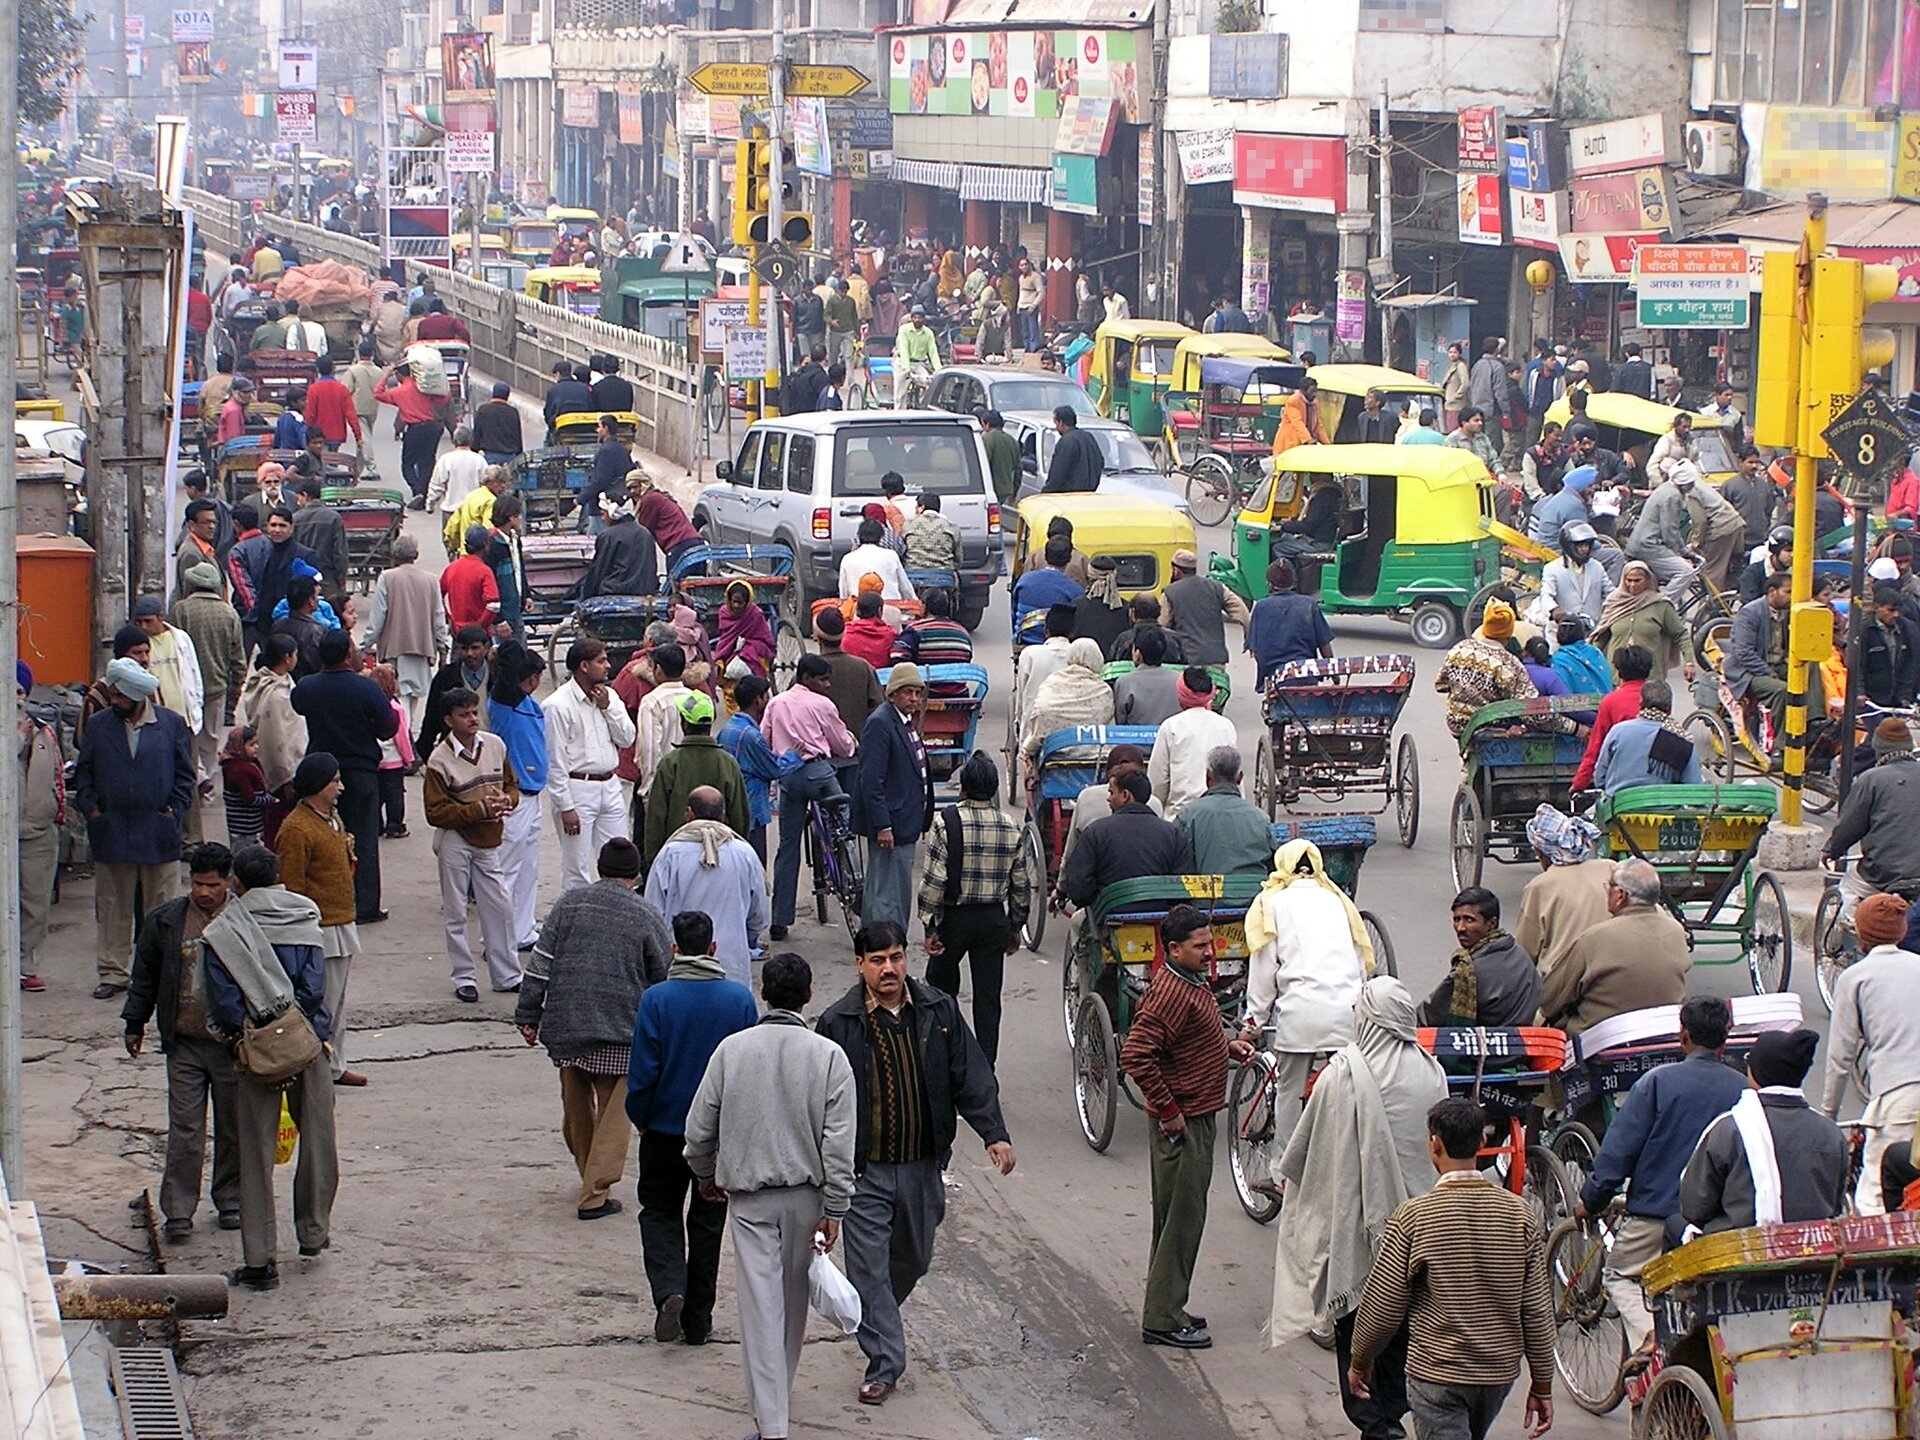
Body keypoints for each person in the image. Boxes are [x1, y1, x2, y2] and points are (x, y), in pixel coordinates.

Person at [814, 918, 1013, 1406]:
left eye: (896, 957)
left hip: (922, 1165)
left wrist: (994, 1133)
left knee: (914, 1257)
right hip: (865, 1173)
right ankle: (885, 1362)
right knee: (868, 1270)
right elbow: (819, 1103)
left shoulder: (937, 1011)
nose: (889, 969)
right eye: (878, 960)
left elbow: (971, 1074)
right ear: (859, 965)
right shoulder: (838, 1024)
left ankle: (877, 1314)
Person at [681, 953, 856, 1440]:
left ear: (763, 994)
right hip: (806, 1199)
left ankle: (772, 1422)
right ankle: (778, 1399)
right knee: (792, 1309)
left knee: (759, 1310)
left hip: (750, 1201)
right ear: (809, 995)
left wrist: (705, 1173)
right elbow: (839, 1143)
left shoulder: (731, 1052)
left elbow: (698, 1130)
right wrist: (835, 1208)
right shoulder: (829, 1057)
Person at [1270, 979, 1448, 1440]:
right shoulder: (1432, 1071)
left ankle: (1375, 1422)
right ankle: (1393, 1412)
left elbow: (1307, 1151)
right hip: (1418, 1228)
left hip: (1360, 1226)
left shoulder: (1343, 1074)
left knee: (1360, 1324)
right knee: (1404, 1323)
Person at [1348, 1097, 1555, 1440]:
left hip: (1437, 1375)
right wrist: (1542, 1382)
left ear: (1435, 1144)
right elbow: (1536, 1308)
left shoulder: (1414, 1217)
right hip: (1497, 1376)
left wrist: (1360, 1360)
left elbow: (1384, 1303)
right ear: (1483, 1142)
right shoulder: (1519, 1214)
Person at [1574, 995, 1747, 1358]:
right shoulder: (1744, 1090)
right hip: (1721, 1225)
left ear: (1683, 1035)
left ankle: (1649, 1339)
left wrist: (1591, 1200)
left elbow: (1619, 1152)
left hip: (1657, 1217)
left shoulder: (1657, 1083)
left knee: (1620, 1275)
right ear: (1725, 1038)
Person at [1118, 903, 1255, 1350]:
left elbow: (1188, 1040)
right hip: (1183, 1124)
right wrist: (1169, 1110)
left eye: (1209, 943)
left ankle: (1169, 1305)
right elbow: (1137, 1056)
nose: (1209, 952)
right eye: (1199, 946)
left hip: (1195, 1114)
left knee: (1180, 1219)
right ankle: (1162, 1319)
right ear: (1174, 949)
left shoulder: (1190, 983)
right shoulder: (1172, 993)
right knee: (1181, 1222)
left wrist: (1227, 1047)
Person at [203, 844, 338, 1293]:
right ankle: (313, 1232)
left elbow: (224, 1003)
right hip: (307, 1042)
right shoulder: (305, 916)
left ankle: (260, 1261)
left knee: (255, 1154)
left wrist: (251, 1043)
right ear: (278, 876)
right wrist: (300, 1037)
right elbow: (315, 988)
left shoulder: (225, 930)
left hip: (255, 1049)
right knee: (318, 1139)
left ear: (236, 882)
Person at [515, 836, 669, 1220]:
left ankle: (588, 1175)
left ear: (600, 869)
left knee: (576, 1112)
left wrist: (528, 1015)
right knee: (615, 1119)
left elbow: (540, 964)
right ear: (635, 874)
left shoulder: (568, 904)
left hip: (567, 1026)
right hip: (622, 1031)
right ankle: (595, 1194)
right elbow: (663, 977)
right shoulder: (646, 914)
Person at [626, 908, 758, 1344]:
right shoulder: (739, 1000)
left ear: (674, 949)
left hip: (664, 1130)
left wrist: (641, 1117)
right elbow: (747, 1072)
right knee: (707, 1222)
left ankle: (669, 1289)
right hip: (717, 1137)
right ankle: (698, 1322)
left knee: (659, 1211)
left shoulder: (656, 1000)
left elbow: (643, 1072)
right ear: (713, 948)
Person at [123, 842, 242, 1239]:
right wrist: (135, 1022)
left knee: (232, 1128)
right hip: (185, 1042)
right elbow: (145, 975)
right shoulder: (167, 921)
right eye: (197, 884)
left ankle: (231, 1200)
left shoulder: (243, 918)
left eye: (212, 885)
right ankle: (177, 1210)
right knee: (185, 1130)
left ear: (229, 881)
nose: (203, 892)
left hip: (231, 1044)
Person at [1239, 838, 1375, 1165]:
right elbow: (1360, 962)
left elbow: (1264, 971)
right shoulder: (1339, 900)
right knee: (1345, 1091)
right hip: (1347, 1012)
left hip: (1302, 1013)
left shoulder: (1270, 902)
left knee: (1289, 1090)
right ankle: (1347, 1163)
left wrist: (1253, 1022)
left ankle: (1282, 1171)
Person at [74, 659, 194, 999]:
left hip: (158, 830)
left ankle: (158, 973)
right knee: (112, 904)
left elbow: (185, 776)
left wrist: (174, 811)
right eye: (112, 694)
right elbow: (84, 772)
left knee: (162, 908)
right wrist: (93, 809)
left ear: (137, 695)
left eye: (120, 696)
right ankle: (113, 972)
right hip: (112, 830)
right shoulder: (99, 725)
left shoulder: (170, 724)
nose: (114, 701)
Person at [914, 753, 1031, 1064]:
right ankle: (986, 1068)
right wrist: (1015, 926)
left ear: (963, 787)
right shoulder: (1010, 826)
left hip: (954, 919)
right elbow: (1021, 884)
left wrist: (930, 927)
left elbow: (934, 881)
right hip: (992, 920)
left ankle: (949, 1055)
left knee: (941, 990)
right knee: (988, 999)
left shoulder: (946, 822)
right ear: (993, 789)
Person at [1679, 1028, 1850, 1235]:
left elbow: (1694, 1208)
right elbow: (1836, 1205)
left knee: (1674, 1225)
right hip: (1813, 1246)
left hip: (1737, 1245)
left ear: (1756, 1070)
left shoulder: (1729, 1128)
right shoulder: (1832, 1134)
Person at [1819, 894, 1920, 1215]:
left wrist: (1828, 1115)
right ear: (1902, 931)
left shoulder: (1855, 978)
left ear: (1861, 934)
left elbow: (1840, 1059)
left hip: (1899, 1097)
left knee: (1873, 1198)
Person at [291, 630, 398, 925]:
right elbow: (387, 728)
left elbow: (297, 705)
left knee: (320, 835)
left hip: (320, 773)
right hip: (361, 770)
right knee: (364, 838)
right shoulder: (366, 689)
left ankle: (321, 900)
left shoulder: (307, 686)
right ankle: (365, 905)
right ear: (349, 655)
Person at [273, 752, 366, 1087]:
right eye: (334, 781)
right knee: (322, 1004)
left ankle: (335, 1065)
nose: (340, 787)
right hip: (319, 929)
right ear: (317, 785)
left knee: (337, 1003)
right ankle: (316, 1069)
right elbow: (292, 887)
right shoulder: (297, 829)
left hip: (341, 923)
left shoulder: (330, 818)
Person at [423, 686, 520, 1002]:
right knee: (456, 910)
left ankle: (507, 974)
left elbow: (512, 785)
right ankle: (464, 977)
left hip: (488, 839)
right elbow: (435, 812)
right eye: (464, 715)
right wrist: (478, 810)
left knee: (500, 906)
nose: (473, 719)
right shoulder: (439, 760)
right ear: (449, 720)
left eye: (474, 713)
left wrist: (507, 801)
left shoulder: (495, 745)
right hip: (455, 839)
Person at [1541, 859, 1692, 1034]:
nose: (1606, 891)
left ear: (1621, 895)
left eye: (1609, 886)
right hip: (1664, 1033)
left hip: (1602, 1038)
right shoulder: (1676, 930)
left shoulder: (1595, 937)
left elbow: (1550, 998)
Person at [644, 781, 764, 988]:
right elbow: (759, 915)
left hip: (681, 968)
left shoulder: (670, 854)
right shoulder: (745, 854)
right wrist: (746, 939)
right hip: (732, 966)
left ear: (689, 814)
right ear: (723, 816)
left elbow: (653, 913)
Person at [543, 639, 636, 894]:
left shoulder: (609, 696)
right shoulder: (557, 705)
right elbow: (555, 761)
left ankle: (616, 912)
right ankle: (576, 915)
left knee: (619, 858)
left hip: (610, 785)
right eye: (601, 661)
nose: (608, 666)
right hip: (578, 788)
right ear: (584, 666)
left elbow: (627, 738)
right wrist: (565, 806)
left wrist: (608, 708)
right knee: (577, 867)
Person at [853, 665, 934, 929]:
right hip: (892, 824)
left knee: (890, 890)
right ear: (893, 693)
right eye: (908, 692)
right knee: (888, 896)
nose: (914, 699)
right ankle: (887, 945)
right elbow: (871, 780)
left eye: (917, 693)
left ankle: (880, 943)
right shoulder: (880, 724)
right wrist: (883, 825)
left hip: (905, 820)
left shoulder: (904, 721)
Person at [489, 643, 551, 954]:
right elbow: (510, 656)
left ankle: (521, 930)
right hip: (514, 797)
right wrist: (502, 648)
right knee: (507, 869)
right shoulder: (506, 701)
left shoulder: (528, 704)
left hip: (533, 794)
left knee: (527, 869)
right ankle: (496, 937)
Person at [1512, 805, 1614, 987]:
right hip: (1615, 973)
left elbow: (1525, 952)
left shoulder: (1539, 886)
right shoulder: (1610, 868)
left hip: (1566, 984)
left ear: (1541, 852)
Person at [1418, 888, 1543, 1028]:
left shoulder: (1467, 971)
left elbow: (1429, 1016)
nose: (1460, 928)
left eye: (1469, 920)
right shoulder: (1520, 953)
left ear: (1492, 923)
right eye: (1457, 919)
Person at [362, 536, 446, 729]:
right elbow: (438, 618)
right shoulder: (430, 580)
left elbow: (377, 618)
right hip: (421, 649)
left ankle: (403, 737)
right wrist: (442, 649)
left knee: (398, 697)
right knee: (411, 697)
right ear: (416, 555)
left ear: (395, 555)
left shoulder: (386, 578)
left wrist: (364, 646)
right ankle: (405, 736)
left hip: (394, 650)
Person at [1724, 570, 1810, 743]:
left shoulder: (1789, 612)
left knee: (1812, 669)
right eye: (1788, 592)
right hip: (1750, 672)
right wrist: (1768, 673)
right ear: (1772, 592)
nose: (1792, 597)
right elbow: (1744, 653)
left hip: (1779, 664)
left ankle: (1813, 721)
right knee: (1781, 690)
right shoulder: (1750, 613)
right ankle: (1781, 744)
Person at [1147, 669, 1239, 819]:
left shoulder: (1171, 726)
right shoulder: (1226, 726)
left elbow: (1158, 781)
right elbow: (1233, 774)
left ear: (1181, 696)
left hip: (1178, 814)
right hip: (1221, 814)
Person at [1179, 746, 1277, 879]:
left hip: (1204, 892)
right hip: (1253, 892)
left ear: (1208, 777)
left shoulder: (1188, 815)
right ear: (1240, 778)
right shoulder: (1261, 818)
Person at [1591, 560, 1692, 686]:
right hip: (1616, 678)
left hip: (1651, 678)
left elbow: (1680, 634)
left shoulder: (1660, 605)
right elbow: (1601, 638)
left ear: (1647, 580)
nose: (1632, 585)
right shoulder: (1614, 604)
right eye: (1629, 580)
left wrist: (1689, 662)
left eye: (1637, 580)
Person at [1592, 679, 1703, 793]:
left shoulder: (1618, 731)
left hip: (1619, 802)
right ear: (1669, 709)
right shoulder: (1681, 739)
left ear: (1640, 704)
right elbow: (1694, 787)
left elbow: (1599, 778)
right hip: (1664, 803)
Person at [1020, 639, 1114, 761]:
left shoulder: (1052, 682)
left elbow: (1041, 714)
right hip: (1096, 756)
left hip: (1054, 754)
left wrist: (1027, 750)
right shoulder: (1104, 690)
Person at [1246, 559, 1334, 684]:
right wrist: (1333, 673)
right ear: (1294, 581)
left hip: (1277, 678)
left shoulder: (1261, 607)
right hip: (1306, 676)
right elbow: (1324, 645)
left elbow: (1256, 652)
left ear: (1269, 584)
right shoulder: (1309, 604)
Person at [1163, 549, 1250, 673]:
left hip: (1186, 661)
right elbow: (1242, 612)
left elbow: (1161, 625)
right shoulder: (1217, 587)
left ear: (1176, 571)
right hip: (1215, 659)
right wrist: (1248, 637)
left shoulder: (1170, 593)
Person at [376, 359, 444, 504]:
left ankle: (417, 490)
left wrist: (385, 375)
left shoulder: (399, 392)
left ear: (399, 375)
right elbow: (443, 399)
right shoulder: (424, 387)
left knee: (408, 463)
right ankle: (424, 492)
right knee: (427, 461)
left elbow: (378, 394)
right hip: (432, 428)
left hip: (415, 429)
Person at [1538, 519, 1609, 630]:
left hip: (1591, 629)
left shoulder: (1597, 567)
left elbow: (1610, 592)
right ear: (1568, 546)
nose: (1584, 549)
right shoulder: (1552, 569)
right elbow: (1546, 595)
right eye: (1580, 545)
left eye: (1587, 545)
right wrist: (1555, 610)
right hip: (1562, 630)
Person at [1861, 585, 1920, 709]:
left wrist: (1905, 695)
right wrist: (1860, 693)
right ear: (1876, 607)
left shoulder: (1908, 629)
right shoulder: (1864, 631)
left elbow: (1911, 663)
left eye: (1898, 610)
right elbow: (1857, 666)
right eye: (1891, 610)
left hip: (1900, 699)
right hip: (1872, 699)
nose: (1896, 615)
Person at [426, 427, 488, 541]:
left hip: (451, 510)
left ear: (453, 441)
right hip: (473, 511)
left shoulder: (446, 459)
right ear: (471, 441)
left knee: (449, 541)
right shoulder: (479, 460)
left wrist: (430, 504)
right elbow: (485, 485)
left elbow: (436, 485)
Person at [442, 464, 512, 562]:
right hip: (480, 555)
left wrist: (455, 545)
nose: (503, 486)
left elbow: (453, 526)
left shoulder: (471, 496)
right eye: (501, 482)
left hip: (465, 553)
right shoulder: (490, 501)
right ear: (493, 482)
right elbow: (490, 532)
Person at [890, 586, 972, 668]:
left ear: (925, 606)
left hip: (923, 676)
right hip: (957, 676)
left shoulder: (915, 630)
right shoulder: (963, 633)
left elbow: (897, 656)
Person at [1042, 406, 1104, 494]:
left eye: (1056, 424)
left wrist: (1046, 492)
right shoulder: (1089, 437)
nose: (1056, 428)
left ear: (1061, 423)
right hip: (1090, 493)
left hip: (1069, 495)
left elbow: (1058, 473)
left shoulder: (1066, 442)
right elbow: (1100, 462)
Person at [1273, 376, 1331, 455]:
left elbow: (1318, 425)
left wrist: (1328, 445)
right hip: (1290, 444)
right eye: (1312, 391)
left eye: (1315, 391)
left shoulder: (1314, 403)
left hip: (1305, 444)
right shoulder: (1293, 401)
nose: (1314, 394)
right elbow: (1297, 423)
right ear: (1303, 391)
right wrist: (1308, 440)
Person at [471, 381, 524, 466]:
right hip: (509, 457)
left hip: (490, 456)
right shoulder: (513, 412)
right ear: (507, 396)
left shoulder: (483, 410)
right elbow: (517, 437)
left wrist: (474, 451)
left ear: (493, 394)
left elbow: (477, 434)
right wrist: (519, 457)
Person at [980, 409, 1020, 505]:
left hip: (992, 489)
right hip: (1006, 489)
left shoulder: (987, 439)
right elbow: (1018, 469)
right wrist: (1014, 492)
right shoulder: (1012, 441)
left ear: (987, 424)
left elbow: (983, 465)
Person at [1445, 406, 1501, 475]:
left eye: (1480, 420)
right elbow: (1450, 466)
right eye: (1476, 421)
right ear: (1464, 423)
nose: (1480, 423)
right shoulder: (1452, 440)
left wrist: (1500, 474)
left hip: (1485, 477)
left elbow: (1493, 459)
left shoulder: (1483, 438)